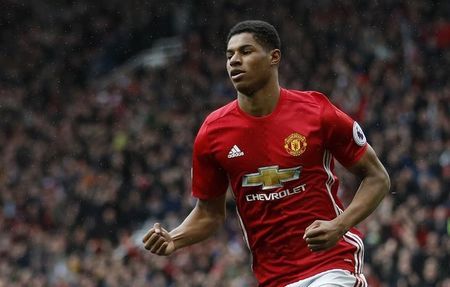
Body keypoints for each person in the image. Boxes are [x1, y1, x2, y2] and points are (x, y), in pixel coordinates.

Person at [142, 20, 390, 287]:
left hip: (332, 265)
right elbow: (209, 213)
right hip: (273, 278)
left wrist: (339, 225)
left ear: (274, 57)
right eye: (229, 55)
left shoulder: (317, 112)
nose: (234, 61)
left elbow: (377, 177)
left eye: (245, 52)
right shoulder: (212, 132)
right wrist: (175, 238)